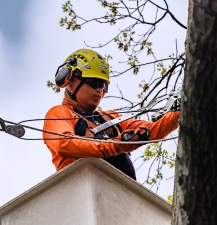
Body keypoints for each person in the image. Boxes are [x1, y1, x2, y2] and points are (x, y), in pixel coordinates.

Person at [43, 48, 179, 180]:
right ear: (69, 79)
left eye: (103, 86)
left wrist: (182, 111)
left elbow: (154, 129)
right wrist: (115, 146)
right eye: (94, 83)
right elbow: (63, 144)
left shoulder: (110, 117)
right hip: (82, 191)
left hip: (121, 193)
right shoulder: (59, 113)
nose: (99, 90)